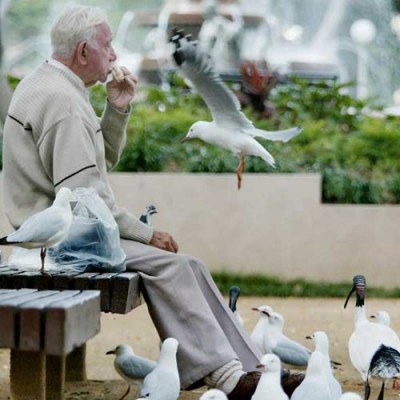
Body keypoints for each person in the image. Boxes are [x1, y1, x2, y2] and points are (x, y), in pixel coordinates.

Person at [2, 6, 302, 399]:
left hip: (59, 231)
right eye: (107, 45)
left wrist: (117, 108)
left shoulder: (51, 86)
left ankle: (251, 370)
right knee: (171, 267)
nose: (114, 54)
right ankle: (229, 377)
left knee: (187, 264)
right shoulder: (63, 103)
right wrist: (146, 233)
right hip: (59, 243)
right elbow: (85, 198)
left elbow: (94, 162)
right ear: (82, 53)